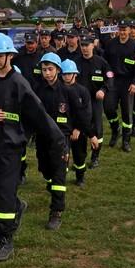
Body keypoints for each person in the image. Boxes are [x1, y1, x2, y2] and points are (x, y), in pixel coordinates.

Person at [0, 34, 66, 261]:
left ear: (10, 56)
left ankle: (4, 239)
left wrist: (59, 140)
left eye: (0, 56)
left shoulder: (19, 83)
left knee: (3, 193)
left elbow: (39, 114)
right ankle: (17, 206)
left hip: (10, 148)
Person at [35, 53, 84, 229]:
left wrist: (83, 130)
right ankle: (51, 182)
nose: (47, 73)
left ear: (57, 70)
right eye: (44, 69)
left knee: (58, 175)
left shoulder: (68, 91)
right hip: (42, 137)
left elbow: (79, 113)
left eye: (50, 69)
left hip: (61, 139)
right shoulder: (38, 91)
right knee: (45, 169)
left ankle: (56, 212)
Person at [103, 20, 135, 153]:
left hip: (128, 82)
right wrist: (108, 78)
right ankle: (115, 130)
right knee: (108, 108)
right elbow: (105, 63)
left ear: (129, 30)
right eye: (120, 29)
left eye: (125, 29)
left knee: (126, 113)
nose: (122, 32)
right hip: (113, 82)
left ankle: (126, 140)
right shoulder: (111, 44)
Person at [59, 59, 99, 187]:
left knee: (79, 155)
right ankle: (60, 179)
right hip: (63, 129)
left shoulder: (82, 91)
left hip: (79, 130)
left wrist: (78, 129)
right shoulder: (58, 90)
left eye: (69, 74)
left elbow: (86, 114)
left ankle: (80, 177)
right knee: (61, 156)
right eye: (64, 74)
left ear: (75, 74)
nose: (66, 76)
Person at [76, 33, 112, 168]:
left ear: (93, 45)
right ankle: (80, 157)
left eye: (87, 45)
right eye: (82, 45)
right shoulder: (76, 62)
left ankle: (95, 157)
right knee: (80, 128)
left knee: (97, 129)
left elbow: (110, 77)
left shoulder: (101, 62)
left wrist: (103, 89)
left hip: (95, 100)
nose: (84, 48)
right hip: (80, 102)